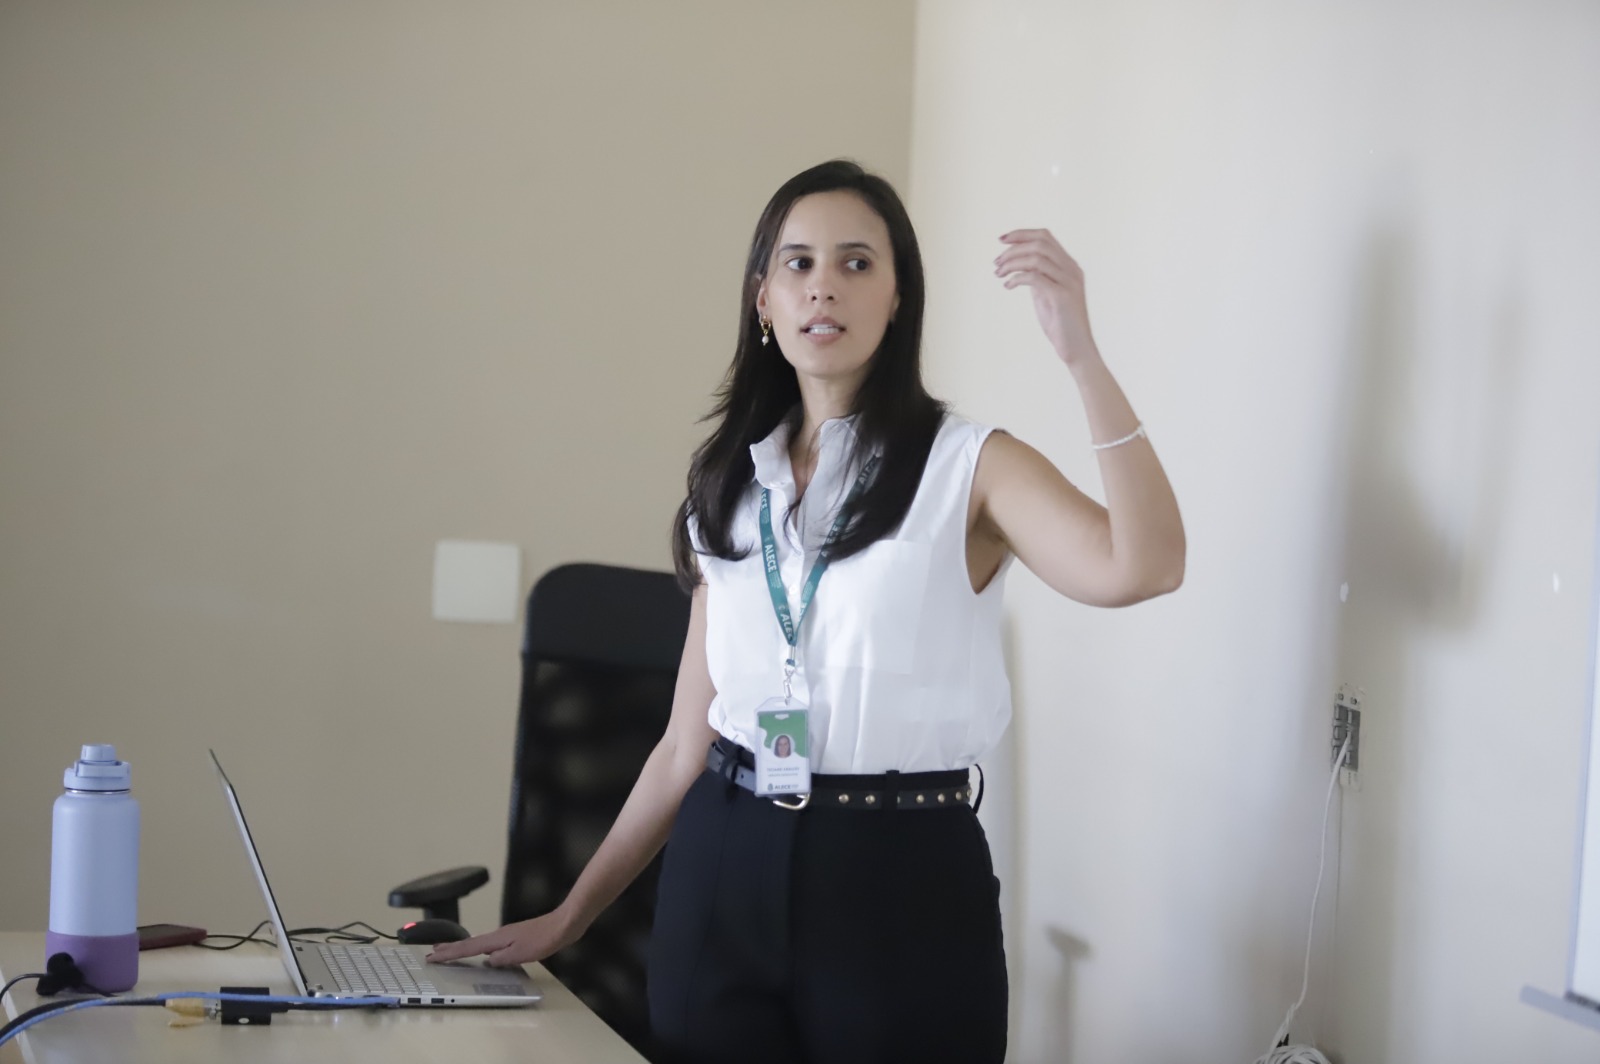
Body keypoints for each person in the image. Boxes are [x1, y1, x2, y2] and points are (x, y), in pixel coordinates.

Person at [428, 159, 1185, 1063]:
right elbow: (683, 746)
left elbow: (1144, 566)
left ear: (898, 298)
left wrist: (1081, 357)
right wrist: (570, 916)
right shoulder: (728, 482)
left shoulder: (969, 466)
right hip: (724, 859)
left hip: (900, 874)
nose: (824, 285)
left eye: (857, 263)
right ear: (765, 300)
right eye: (798, 263)